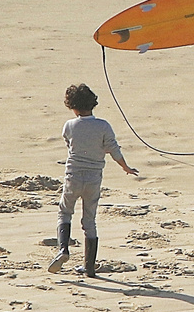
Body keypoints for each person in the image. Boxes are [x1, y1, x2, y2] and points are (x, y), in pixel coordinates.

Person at [49, 83, 137, 276]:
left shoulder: (69, 125)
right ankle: (89, 268)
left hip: (73, 176)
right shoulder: (103, 126)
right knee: (89, 220)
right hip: (93, 178)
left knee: (65, 212)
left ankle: (63, 249)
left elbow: (69, 144)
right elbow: (113, 149)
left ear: (72, 106)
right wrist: (125, 167)